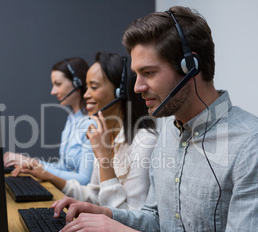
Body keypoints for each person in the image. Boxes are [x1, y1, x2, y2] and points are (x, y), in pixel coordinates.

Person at [52, 6, 258, 232]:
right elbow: (157, 220)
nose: (137, 87)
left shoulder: (256, 146)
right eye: (136, 74)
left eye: (149, 73)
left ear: (191, 66)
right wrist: (107, 215)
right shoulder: (168, 132)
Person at [14, 51, 157, 209]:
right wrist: (50, 178)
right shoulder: (104, 136)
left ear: (120, 92)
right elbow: (94, 196)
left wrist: (103, 158)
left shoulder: (144, 142)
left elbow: (134, 218)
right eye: (87, 87)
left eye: (93, 87)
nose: (86, 94)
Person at [4, 57, 94, 185]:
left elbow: (85, 181)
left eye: (58, 84)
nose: (53, 91)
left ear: (77, 83)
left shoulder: (91, 124)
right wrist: (30, 164)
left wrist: (34, 164)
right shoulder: (72, 119)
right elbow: (64, 168)